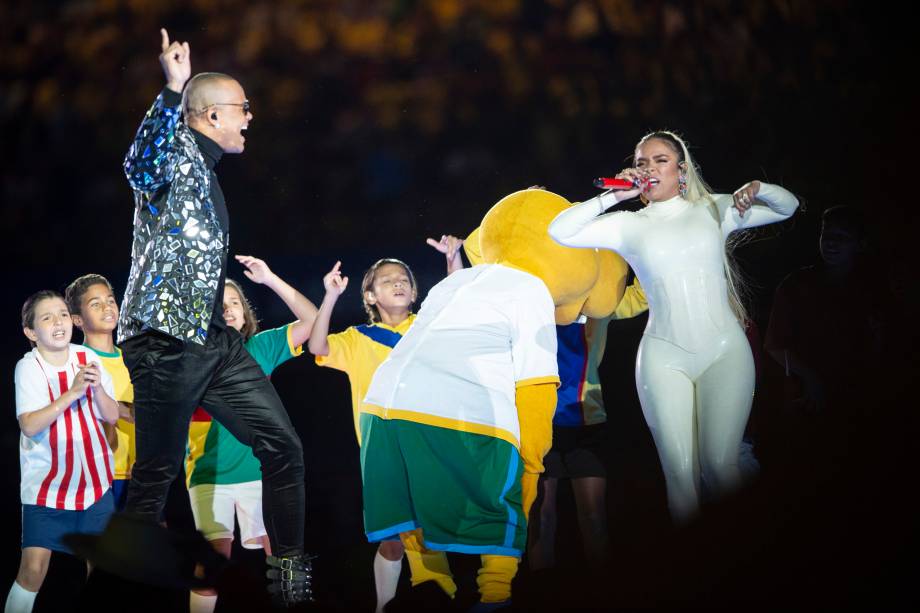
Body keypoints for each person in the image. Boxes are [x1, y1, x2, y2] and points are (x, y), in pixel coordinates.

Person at [117, 29, 312, 604]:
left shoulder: (206, 171)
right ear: (208, 115)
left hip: (212, 337)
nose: (251, 118)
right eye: (242, 108)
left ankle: (291, 585)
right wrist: (172, 90)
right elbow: (137, 164)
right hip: (164, 338)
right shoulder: (175, 157)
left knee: (285, 448)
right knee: (155, 474)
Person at [548, 130, 799, 523]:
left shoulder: (713, 210)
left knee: (721, 466)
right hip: (663, 357)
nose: (649, 168)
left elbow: (789, 206)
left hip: (723, 351)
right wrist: (614, 196)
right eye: (642, 162)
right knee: (680, 476)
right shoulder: (628, 224)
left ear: (681, 170)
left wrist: (759, 187)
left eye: (660, 160)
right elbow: (559, 230)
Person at [308, 236, 462, 613]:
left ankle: (441, 595)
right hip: (380, 453)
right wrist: (329, 297)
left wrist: (453, 259)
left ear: (413, 292)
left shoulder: (425, 328)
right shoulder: (357, 339)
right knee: (392, 538)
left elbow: (459, 309)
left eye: (404, 279)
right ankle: (386, 606)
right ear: (370, 296)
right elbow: (316, 347)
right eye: (387, 280)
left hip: (427, 445)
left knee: (427, 531)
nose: (398, 282)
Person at [186, 255, 318, 613]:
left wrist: (271, 277)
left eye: (234, 303)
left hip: (263, 476)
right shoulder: (192, 359)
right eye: (219, 304)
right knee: (210, 566)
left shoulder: (261, 348)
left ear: (245, 313)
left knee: (282, 553)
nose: (228, 309)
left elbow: (313, 319)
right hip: (208, 477)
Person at [6, 291, 120, 613]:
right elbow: (29, 425)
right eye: (47, 317)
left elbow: (111, 416)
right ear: (31, 332)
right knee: (33, 571)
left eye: (62, 314)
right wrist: (72, 393)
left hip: (94, 485)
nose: (58, 322)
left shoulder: (88, 358)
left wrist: (97, 389)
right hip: (46, 488)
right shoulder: (28, 367)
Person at [65, 274, 136, 511]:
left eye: (110, 300)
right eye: (95, 304)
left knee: (151, 546)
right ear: (77, 319)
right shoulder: (74, 362)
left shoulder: (135, 359)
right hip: (98, 477)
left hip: (140, 476)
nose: (107, 307)